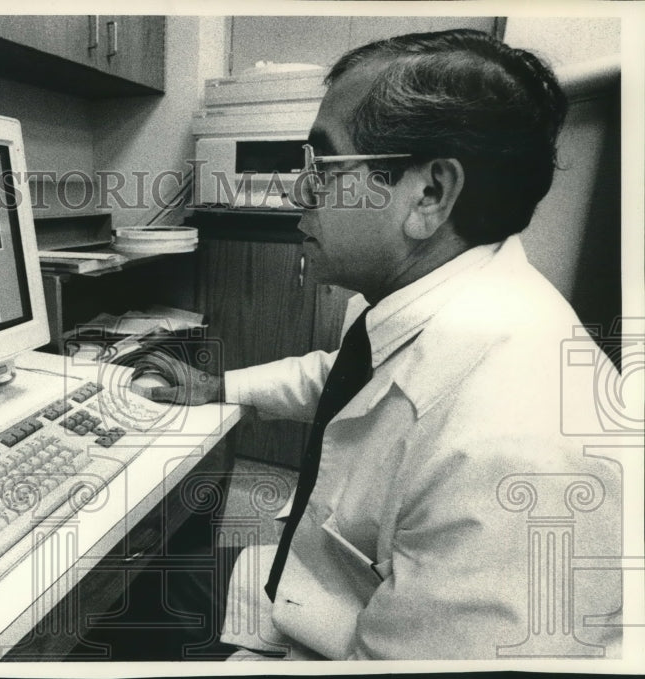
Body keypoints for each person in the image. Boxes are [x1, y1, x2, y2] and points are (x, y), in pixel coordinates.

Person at [137, 28, 623, 660]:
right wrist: (219, 388)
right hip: (319, 596)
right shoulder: (437, 300)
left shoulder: (514, 446)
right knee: (157, 578)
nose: (296, 190)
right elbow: (345, 377)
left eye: (321, 166)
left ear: (428, 194)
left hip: (338, 645)